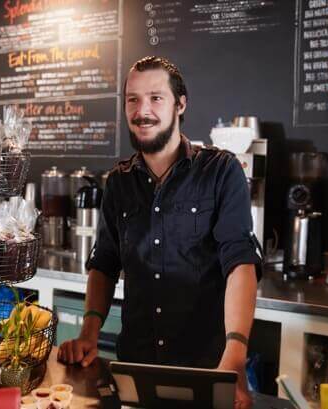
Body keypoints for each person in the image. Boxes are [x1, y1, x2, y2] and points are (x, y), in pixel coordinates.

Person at [58, 56, 262, 408]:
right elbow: (105, 263)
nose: (142, 111)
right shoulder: (119, 182)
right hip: (135, 371)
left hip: (206, 369)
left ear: (180, 104)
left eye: (156, 98)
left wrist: (235, 355)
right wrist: (89, 331)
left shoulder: (220, 171)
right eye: (133, 100)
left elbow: (240, 263)